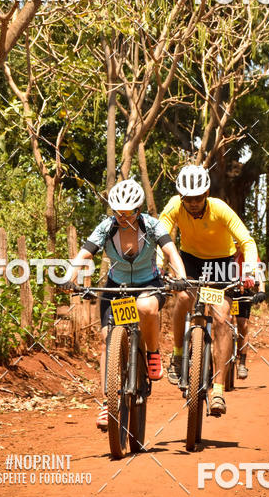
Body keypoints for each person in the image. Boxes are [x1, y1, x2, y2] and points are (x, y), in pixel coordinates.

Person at [69, 178, 187, 431]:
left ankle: (153, 354)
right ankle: (106, 402)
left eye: (128, 213)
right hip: (116, 287)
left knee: (146, 308)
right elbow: (84, 253)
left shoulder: (152, 225)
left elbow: (171, 253)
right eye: (117, 213)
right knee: (105, 340)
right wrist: (69, 277)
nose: (122, 218)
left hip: (148, 284)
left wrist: (181, 277)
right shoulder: (106, 228)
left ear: (138, 209)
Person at [158, 164, 259, 417]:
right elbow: (159, 237)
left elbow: (246, 241)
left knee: (222, 317)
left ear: (206, 194)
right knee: (182, 297)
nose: (193, 203)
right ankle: (178, 354)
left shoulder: (220, 208)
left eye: (198, 198)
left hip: (221, 264)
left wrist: (249, 271)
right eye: (188, 199)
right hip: (190, 260)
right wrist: (159, 267)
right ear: (182, 197)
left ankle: (218, 389)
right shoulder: (174, 206)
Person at [231, 255, 266, 380]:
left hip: (243, 292)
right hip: (225, 290)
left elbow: (258, 271)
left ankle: (242, 363)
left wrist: (261, 290)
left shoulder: (248, 253)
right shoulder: (223, 247)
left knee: (242, 324)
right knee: (220, 323)